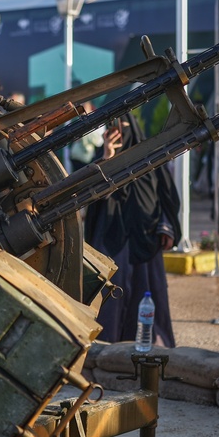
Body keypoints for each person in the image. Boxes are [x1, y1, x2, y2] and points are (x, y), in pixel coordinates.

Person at [84, 112, 181, 347]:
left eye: (126, 125)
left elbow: (167, 196)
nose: (122, 131)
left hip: (146, 241)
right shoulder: (103, 158)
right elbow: (90, 194)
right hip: (112, 238)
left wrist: (166, 228)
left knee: (147, 296)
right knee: (111, 301)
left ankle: (149, 348)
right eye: (116, 126)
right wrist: (107, 159)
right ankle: (107, 348)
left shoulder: (151, 157)